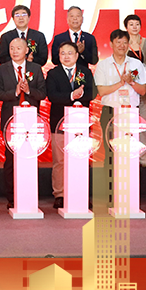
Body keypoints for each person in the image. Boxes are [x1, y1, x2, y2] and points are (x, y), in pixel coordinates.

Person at [0, 36, 47, 208]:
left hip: (30, 121)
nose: (14, 51)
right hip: (11, 120)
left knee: (29, 157)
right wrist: (15, 92)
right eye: (12, 48)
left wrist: (29, 90)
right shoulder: (2, 69)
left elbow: (43, 93)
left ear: (26, 50)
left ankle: (29, 195)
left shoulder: (36, 68)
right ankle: (12, 197)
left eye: (18, 48)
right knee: (11, 159)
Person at [45, 41, 96, 210]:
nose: (66, 56)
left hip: (81, 123)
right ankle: (60, 194)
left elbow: (92, 93)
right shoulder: (53, 73)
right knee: (60, 161)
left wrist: (79, 96)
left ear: (76, 55)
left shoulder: (85, 71)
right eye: (62, 53)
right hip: (59, 121)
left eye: (69, 53)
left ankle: (80, 193)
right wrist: (72, 95)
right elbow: (52, 96)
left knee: (80, 158)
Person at [95, 29, 146, 163]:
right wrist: (120, 83)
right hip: (110, 111)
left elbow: (143, 91)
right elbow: (101, 91)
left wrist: (131, 82)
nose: (122, 46)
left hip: (131, 112)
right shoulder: (103, 65)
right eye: (118, 42)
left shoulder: (136, 64)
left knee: (130, 151)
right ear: (111, 44)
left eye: (125, 42)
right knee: (110, 152)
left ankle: (132, 175)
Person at [125, 14, 146, 165]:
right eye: (131, 24)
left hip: (143, 88)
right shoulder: (123, 43)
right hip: (127, 90)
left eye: (137, 24)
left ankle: (144, 159)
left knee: (143, 124)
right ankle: (128, 157)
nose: (134, 27)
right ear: (126, 27)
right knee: (127, 125)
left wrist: (138, 72)